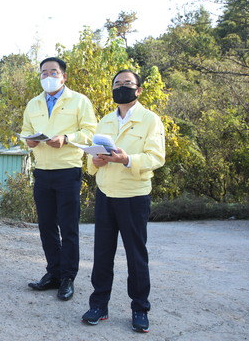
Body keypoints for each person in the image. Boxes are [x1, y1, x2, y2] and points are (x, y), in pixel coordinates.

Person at [81, 69, 165, 333]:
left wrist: (127, 159)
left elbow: (156, 157)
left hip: (134, 196)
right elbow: (92, 158)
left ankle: (140, 308)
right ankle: (99, 305)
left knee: (136, 256)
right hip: (106, 194)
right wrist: (93, 161)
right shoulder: (104, 120)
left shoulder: (150, 120)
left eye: (127, 84)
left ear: (138, 90)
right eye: (117, 84)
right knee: (102, 254)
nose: (121, 88)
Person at [22, 57, 97, 301]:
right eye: (44, 72)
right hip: (42, 171)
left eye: (53, 72)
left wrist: (66, 137)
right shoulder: (33, 103)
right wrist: (29, 141)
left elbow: (90, 133)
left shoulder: (79, 101)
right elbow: (25, 133)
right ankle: (53, 273)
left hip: (67, 170)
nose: (48, 76)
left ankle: (67, 278)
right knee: (46, 226)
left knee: (68, 227)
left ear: (64, 76)